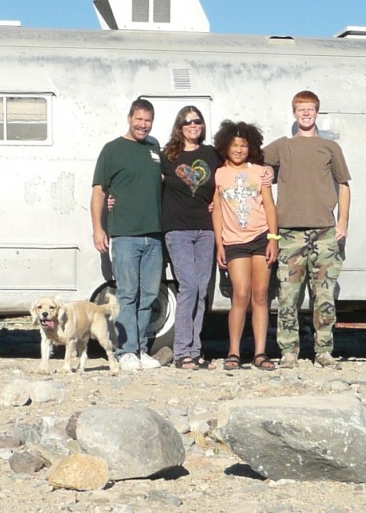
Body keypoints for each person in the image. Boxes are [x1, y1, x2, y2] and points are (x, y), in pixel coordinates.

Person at [263, 90, 351, 368]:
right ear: (294, 113)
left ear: (317, 112)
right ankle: (289, 352)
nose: (305, 114)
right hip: (289, 233)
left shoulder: (330, 148)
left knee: (323, 294)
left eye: (310, 109)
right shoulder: (282, 146)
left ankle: (324, 350)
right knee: (288, 295)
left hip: (324, 231)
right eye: (301, 109)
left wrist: (343, 222)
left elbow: (345, 185)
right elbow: (252, 163)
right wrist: (264, 172)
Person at [91, 98, 164, 372]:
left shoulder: (154, 148)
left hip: (154, 236)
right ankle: (125, 350)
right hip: (125, 236)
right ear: (129, 118)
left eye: (148, 120)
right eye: (139, 119)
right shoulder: (113, 150)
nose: (143, 125)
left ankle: (142, 349)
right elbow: (99, 191)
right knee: (127, 295)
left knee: (148, 296)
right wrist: (99, 227)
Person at [212, 120, 279, 371]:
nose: (238, 149)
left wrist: (274, 238)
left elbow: (270, 206)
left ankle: (261, 352)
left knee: (261, 296)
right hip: (234, 242)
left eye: (243, 145)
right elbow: (217, 211)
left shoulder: (260, 172)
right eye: (233, 145)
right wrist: (219, 244)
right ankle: (234, 352)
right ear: (225, 146)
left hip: (261, 237)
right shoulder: (219, 174)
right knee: (240, 295)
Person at [160, 106, 220, 370]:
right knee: (189, 287)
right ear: (179, 127)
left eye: (197, 121)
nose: (193, 125)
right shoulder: (168, 155)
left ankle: (195, 351)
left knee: (202, 291)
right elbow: (148, 184)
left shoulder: (211, 154)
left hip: (206, 230)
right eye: (187, 122)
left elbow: (224, 183)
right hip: (178, 229)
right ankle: (182, 350)